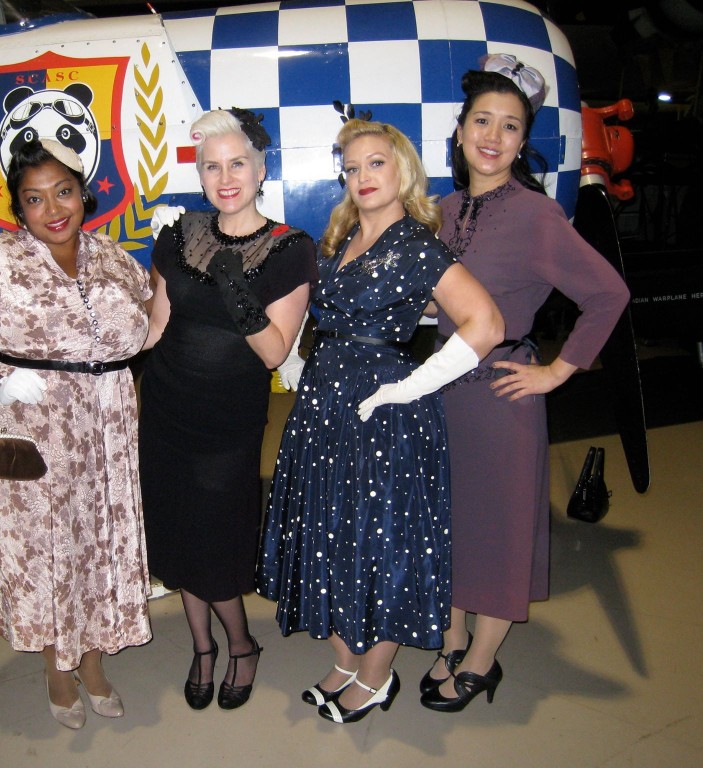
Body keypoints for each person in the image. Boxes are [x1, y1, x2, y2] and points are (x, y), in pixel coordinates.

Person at [257, 118, 504, 724]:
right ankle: (346, 659)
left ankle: (376, 675)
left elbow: (487, 324)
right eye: (351, 167)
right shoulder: (338, 240)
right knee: (328, 535)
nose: (361, 176)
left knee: (381, 541)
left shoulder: (419, 244)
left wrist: (412, 386)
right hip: (324, 408)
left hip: (385, 415)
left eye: (375, 163)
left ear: (402, 172)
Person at [419, 55, 630, 712]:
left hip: (499, 394)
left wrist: (555, 372)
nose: (493, 135)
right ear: (460, 131)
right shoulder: (442, 209)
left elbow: (609, 293)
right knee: (448, 523)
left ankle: (483, 661)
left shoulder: (537, 215)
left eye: (510, 126)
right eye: (483, 120)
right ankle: (451, 634)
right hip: (439, 391)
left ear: (521, 140)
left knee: (499, 529)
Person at [0, 138, 153, 730]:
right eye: (34, 200)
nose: (53, 209)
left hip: (105, 429)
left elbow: (157, 319)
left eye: (63, 192)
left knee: (94, 545)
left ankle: (92, 660)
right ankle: (58, 671)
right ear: (18, 210)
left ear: (83, 193)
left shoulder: (112, 256)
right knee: (45, 549)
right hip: (29, 425)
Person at [140, 108, 317, 711]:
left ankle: (241, 645)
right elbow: (155, 327)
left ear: (261, 168)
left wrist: (233, 281)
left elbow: (273, 352)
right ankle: (202, 647)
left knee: (214, 537)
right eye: (211, 166)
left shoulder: (290, 248)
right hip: (166, 407)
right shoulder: (178, 233)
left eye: (237, 163)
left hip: (228, 419)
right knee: (177, 532)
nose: (225, 176)